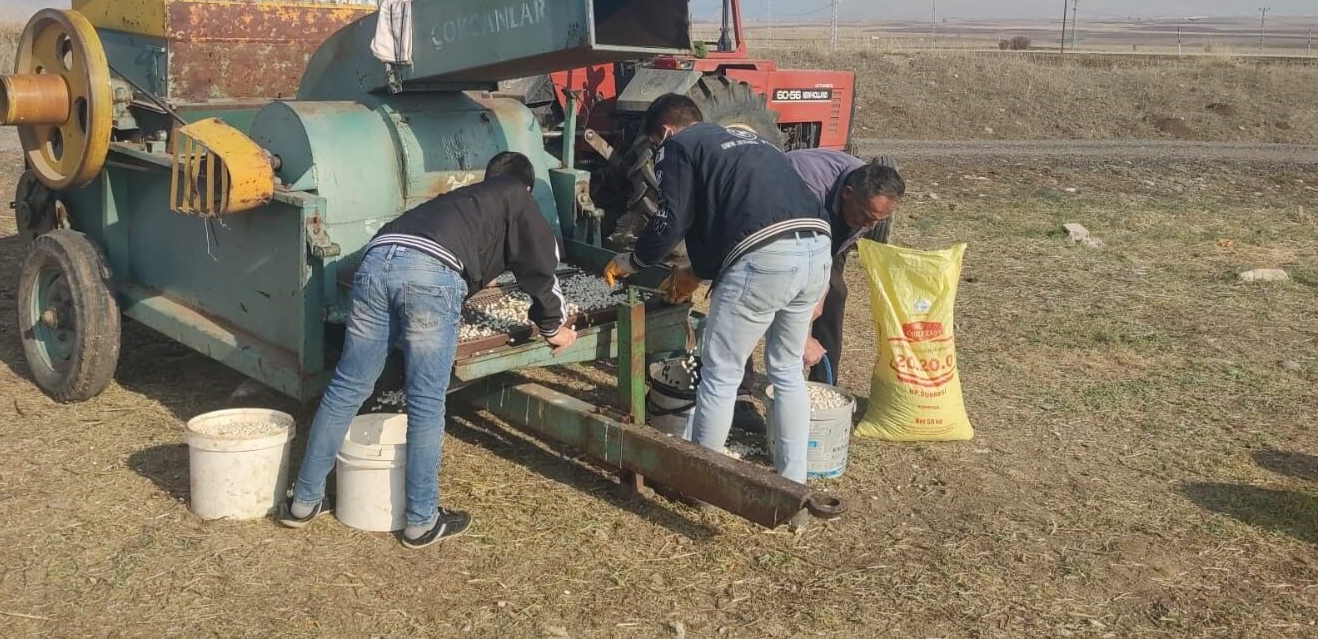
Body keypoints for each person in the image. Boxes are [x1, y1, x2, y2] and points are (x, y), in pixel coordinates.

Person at [280, 151, 578, 546]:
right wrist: (553, 326)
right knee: (425, 400)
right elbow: (540, 261)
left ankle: (303, 501)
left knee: (347, 388)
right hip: (429, 274)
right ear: (525, 184)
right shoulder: (515, 193)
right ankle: (421, 520)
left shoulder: (458, 201)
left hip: (375, 262)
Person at [604, 94, 831, 483]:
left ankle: (701, 481)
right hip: (816, 249)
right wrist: (699, 271)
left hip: (765, 257)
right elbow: (729, 215)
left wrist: (632, 261)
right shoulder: (752, 142)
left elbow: (671, 221)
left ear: (664, 131)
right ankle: (794, 480)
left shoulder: (677, 144)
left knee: (720, 375)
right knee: (787, 370)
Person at [786, 150, 904, 385]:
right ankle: (741, 390)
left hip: (828, 228)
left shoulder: (864, 202)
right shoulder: (806, 186)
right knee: (771, 297)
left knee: (835, 293)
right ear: (848, 194)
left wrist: (820, 295)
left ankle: (823, 384)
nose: (870, 226)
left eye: (879, 220)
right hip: (786, 227)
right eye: (868, 216)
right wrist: (800, 334)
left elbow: (826, 259)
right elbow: (792, 261)